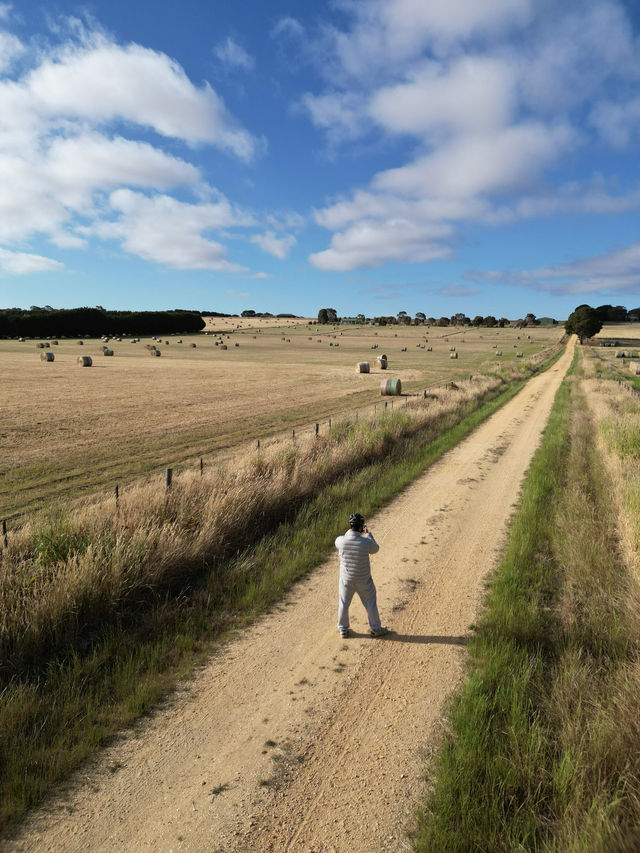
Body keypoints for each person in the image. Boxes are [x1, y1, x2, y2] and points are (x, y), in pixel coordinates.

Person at [335, 512, 388, 639]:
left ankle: (343, 629)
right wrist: (368, 534)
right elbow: (375, 549)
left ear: (349, 525)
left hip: (346, 579)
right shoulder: (365, 542)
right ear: (361, 527)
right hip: (364, 580)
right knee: (370, 603)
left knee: (343, 603)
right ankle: (376, 629)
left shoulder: (340, 541)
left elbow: (342, 540)